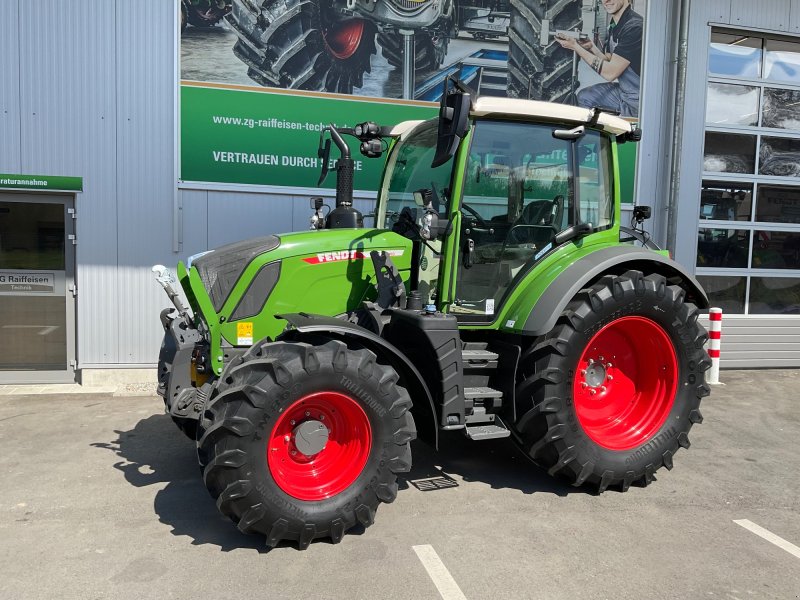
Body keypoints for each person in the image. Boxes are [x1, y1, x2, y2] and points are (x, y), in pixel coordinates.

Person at [555, 0, 643, 117]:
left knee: (586, 100)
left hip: (637, 100)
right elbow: (610, 60)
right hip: (625, 91)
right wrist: (592, 47)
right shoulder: (615, 24)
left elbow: (610, 73)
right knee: (585, 96)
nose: (606, 1)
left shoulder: (634, 27)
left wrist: (575, 47)